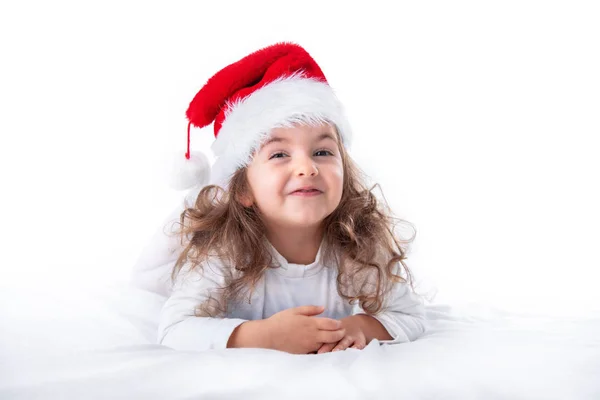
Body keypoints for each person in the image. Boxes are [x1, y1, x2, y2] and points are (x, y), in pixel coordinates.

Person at [156, 42, 427, 354]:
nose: (307, 167)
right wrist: (264, 336)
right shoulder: (223, 251)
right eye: (280, 154)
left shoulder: (358, 246)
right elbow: (175, 328)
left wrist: (361, 326)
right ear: (243, 189)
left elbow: (410, 315)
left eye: (322, 152)